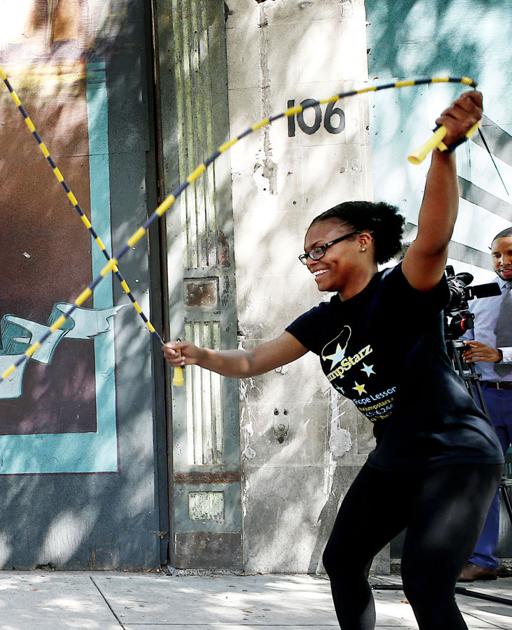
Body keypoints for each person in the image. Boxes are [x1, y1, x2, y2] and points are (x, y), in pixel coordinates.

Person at [164, 91, 495, 630]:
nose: (312, 260)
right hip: (397, 455)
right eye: (307, 253)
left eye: (322, 248)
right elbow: (250, 362)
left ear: (364, 242)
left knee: (425, 581)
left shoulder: (403, 290)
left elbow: (433, 238)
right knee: (342, 560)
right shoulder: (321, 322)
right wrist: (197, 354)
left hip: (454, 452)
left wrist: (444, 152)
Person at [457, 227, 512, 582]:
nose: (504, 262)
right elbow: (467, 336)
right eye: (497, 255)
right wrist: (464, 347)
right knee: (481, 476)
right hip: (487, 395)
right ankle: (483, 560)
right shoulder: (482, 295)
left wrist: (501, 354)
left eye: (511, 255)